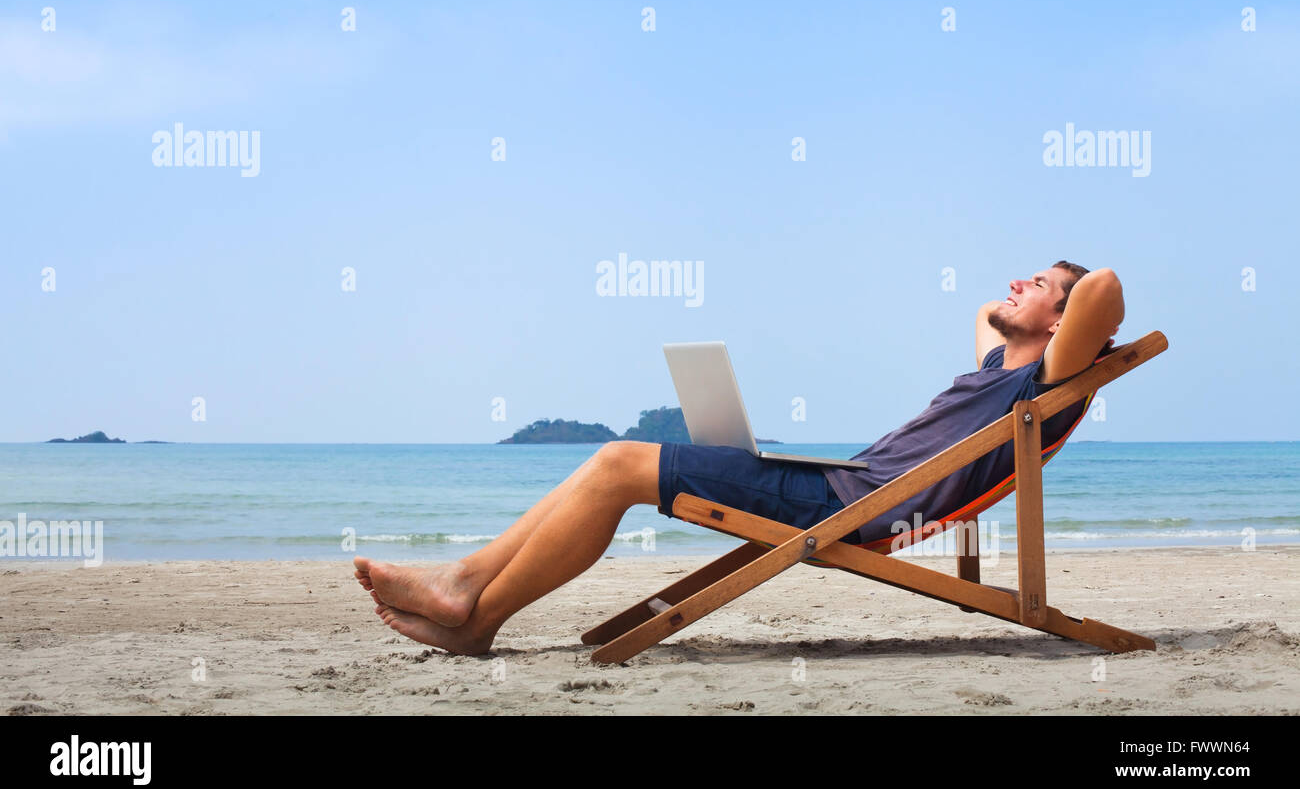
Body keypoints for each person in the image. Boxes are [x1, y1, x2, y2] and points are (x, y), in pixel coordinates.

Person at [354, 260, 1124, 656]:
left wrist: (1064, 306)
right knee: (619, 460)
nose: (1015, 285)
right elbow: (983, 313)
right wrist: (1031, 302)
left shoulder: (1043, 379)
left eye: (1041, 286)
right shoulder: (997, 370)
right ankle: (468, 597)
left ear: (1065, 324)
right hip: (837, 485)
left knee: (621, 463)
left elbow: (1107, 288)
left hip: (849, 510)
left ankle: (470, 603)